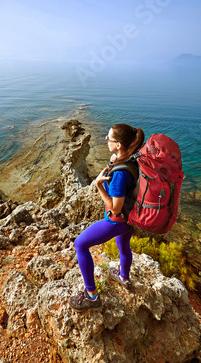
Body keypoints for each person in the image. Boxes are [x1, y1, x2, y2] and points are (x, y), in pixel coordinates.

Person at [69, 123, 145, 312]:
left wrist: (98, 186)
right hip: (129, 219)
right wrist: (114, 161)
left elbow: (116, 208)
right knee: (123, 247)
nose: (105, 139)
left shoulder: (119, 174)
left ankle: (92, 296)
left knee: (80, 244)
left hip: (116, 221)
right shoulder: (132, 159)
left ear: (119, 144)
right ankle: (124, 277)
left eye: (109, 138)